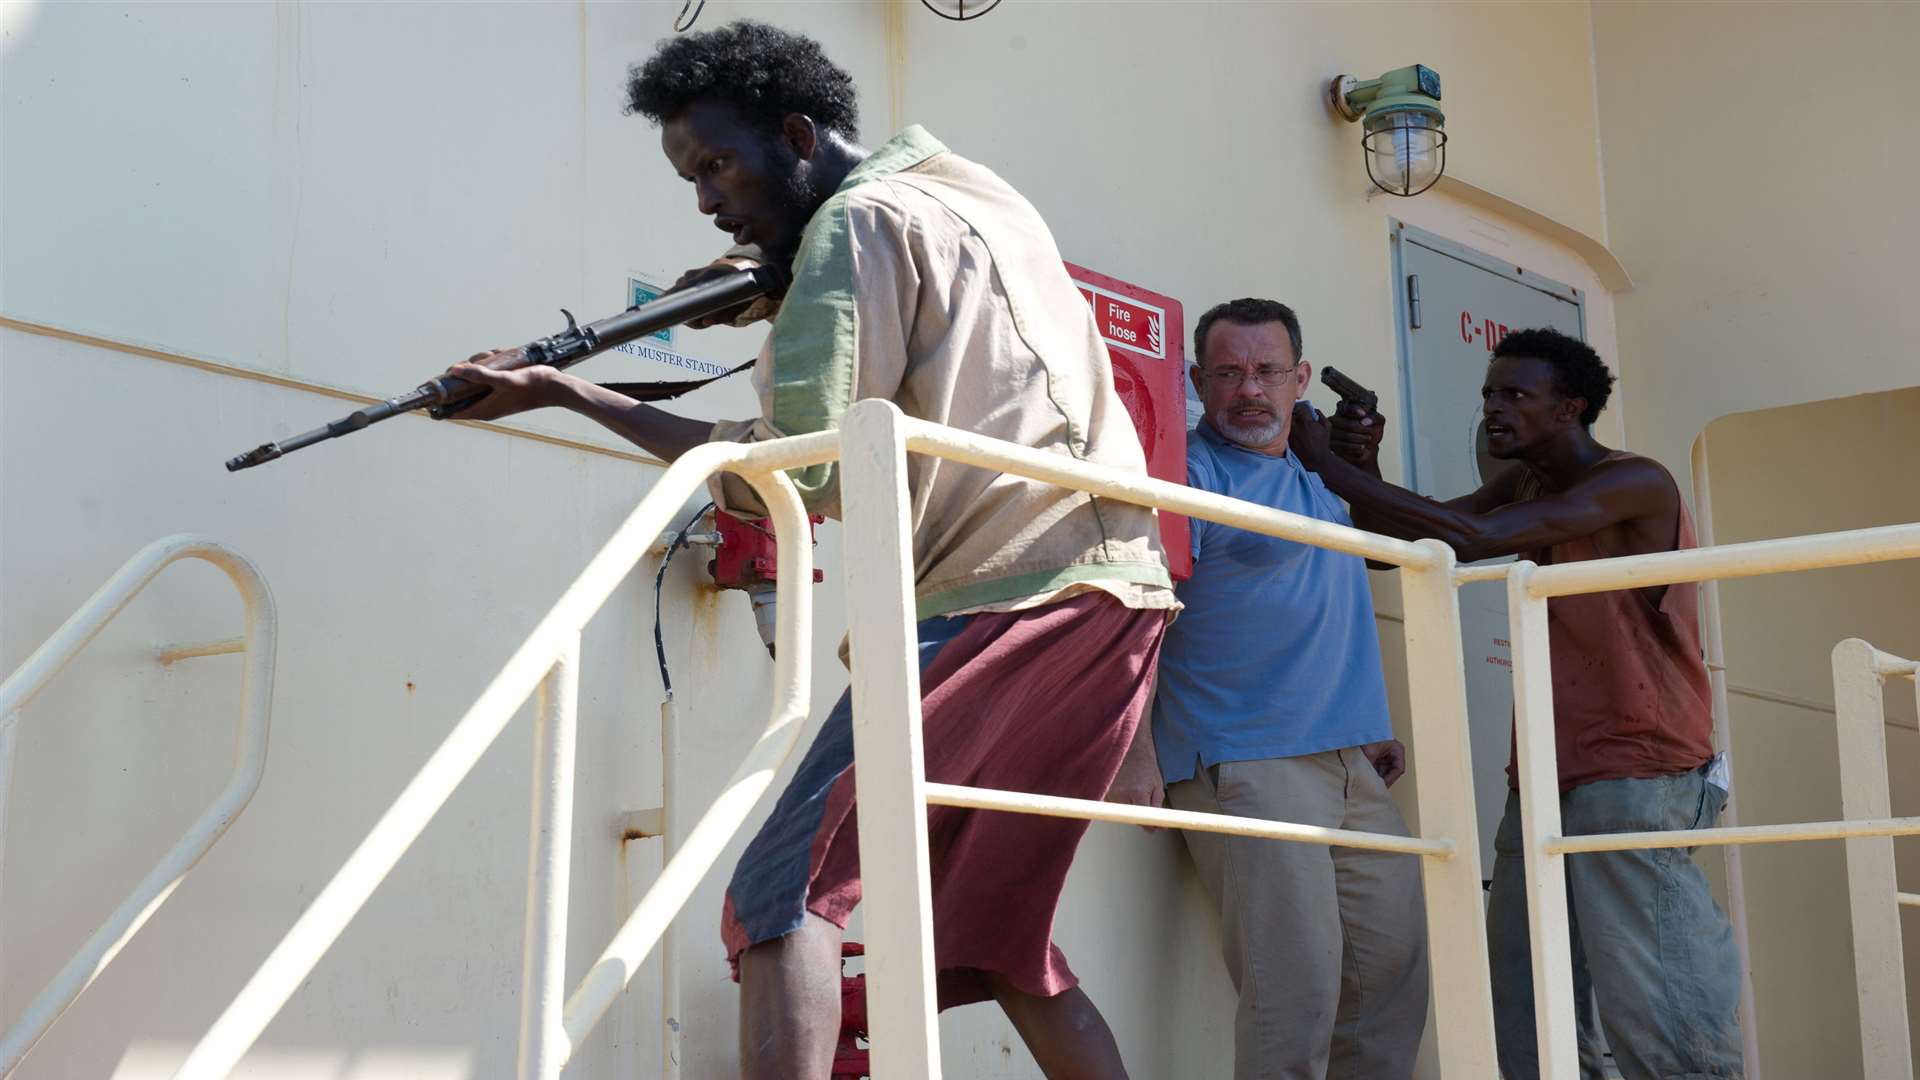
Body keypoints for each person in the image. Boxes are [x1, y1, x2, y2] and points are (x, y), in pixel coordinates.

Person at [444, 20, 1177, 1080]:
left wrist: (565, 391)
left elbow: (802, 468)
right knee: (1001, 939)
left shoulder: (853, 227)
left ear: (795, 135)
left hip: (1000, 598)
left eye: (717, 165)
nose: (705, 197)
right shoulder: (977, 193)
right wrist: (781, 285)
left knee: (782, 891)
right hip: (1118, 602)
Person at [1290, 328, 1741, 1079]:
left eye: (1515, 395)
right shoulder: (1528, 481)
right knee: (1529, 1019)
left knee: (1661, 1019)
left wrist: (1328, 465)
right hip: (1545, 774)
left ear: (1570, 408)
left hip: (1638, 771)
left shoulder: (1635, 481)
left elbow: (1470, 536)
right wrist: (1360, 464)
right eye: (1489, 394)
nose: (1493, 410)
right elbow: (1398, 547)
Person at [1153, 298, 1429, 1079]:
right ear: (1199, 382)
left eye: (1268, 371)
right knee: (1292, 1003)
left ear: (1300, 379)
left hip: (1355, 764)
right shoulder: (1189, 470)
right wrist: (1132, 751)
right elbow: (1136, 613)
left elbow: (1404, 547)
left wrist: (1364, 720)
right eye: (1229, 372)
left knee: (1388, 988)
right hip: (1247, 764)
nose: (1250, 390)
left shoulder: (1319, 472)